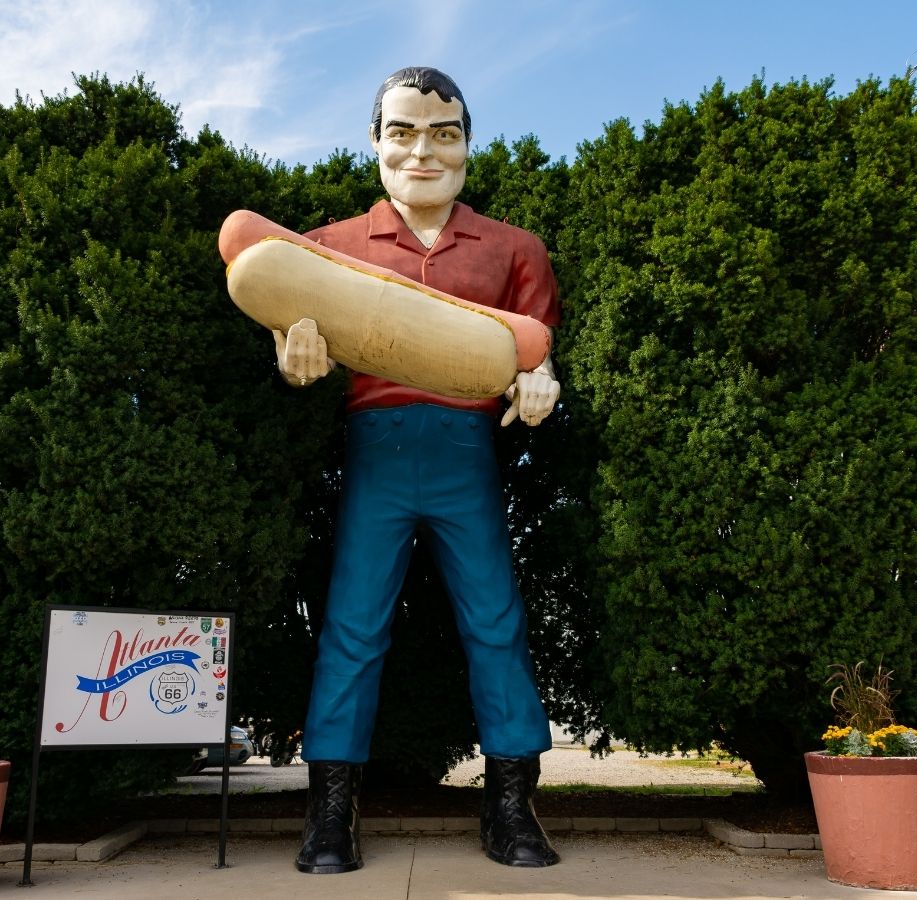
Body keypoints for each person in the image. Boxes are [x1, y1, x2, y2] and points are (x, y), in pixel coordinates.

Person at [275, 66, 561, 873]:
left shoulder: (514, 249)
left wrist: (538, 381)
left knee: (494, 621)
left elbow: (533, 352)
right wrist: (295, 360)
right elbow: (293, 339)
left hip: (466, 448)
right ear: (375, 143)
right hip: (377, 448)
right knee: (352, 626)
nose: (423, 152)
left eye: (444, 133)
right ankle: (331, 811)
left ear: (468, 143)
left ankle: (511, 801)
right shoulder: (327, 247)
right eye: (402, 132)